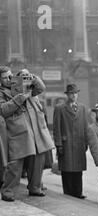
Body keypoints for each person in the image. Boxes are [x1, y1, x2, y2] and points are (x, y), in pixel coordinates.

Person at [0, 66, 54, 201]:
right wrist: (20, 98)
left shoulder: (24, 85)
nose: (9, 79)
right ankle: (8, 191)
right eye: (5, 77)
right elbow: (3, 110)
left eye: (10, 75)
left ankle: (35, 187)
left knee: (38, 159)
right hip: (18, 130)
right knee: (15, 163)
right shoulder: (1, 93)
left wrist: (31, 77)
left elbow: (41, 88)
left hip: (35, 128)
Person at [53, 84, 89, 199]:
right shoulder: (60, 108)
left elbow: (85, 126)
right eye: (71, 93)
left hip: (79, 143)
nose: (74, 95)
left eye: (75, 93)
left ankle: (78, 192)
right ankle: (68, 193)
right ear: (67, 95)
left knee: (78, 169)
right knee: (67, 169)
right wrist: (58, 144)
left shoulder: (82, 108)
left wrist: (86, 142)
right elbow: (56, 128)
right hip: (66, 143)